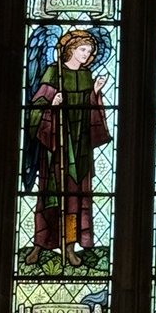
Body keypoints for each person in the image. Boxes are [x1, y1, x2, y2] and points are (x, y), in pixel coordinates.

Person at [25, 29, 110, 267]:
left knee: (74, 200)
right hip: (56, 147)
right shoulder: (53, 73)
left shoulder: (86, 76)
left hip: (79, 146)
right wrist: (51, 104)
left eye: (90, 52)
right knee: (49, 198)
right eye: (83, 50)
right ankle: (40, 245)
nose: (86, 55)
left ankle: (69, 246)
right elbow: (34, 109)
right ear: (70, 49)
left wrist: (95, 92)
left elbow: (91, 111)